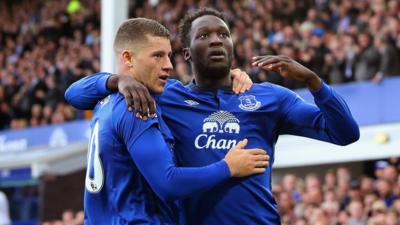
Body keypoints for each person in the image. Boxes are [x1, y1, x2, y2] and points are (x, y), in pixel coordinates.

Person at [65, 8, 360, 225]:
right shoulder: (164, 97)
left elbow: (345, 134)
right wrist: (117, 81)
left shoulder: (271, 97)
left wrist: (313, 81)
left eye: (224, 34)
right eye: (204, 36)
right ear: (187, 53)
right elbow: (75, 94)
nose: (217, 40)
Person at [65, 17, 270, 225]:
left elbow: (72, 94)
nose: (169, 65)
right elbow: (168, 183)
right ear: (128, 58)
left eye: (169, 56)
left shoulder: (104, 101)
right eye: (158, 56)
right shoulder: (137, 105)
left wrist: (117, 80)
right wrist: (228, 167)